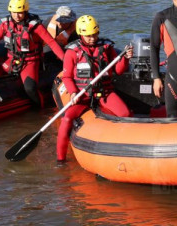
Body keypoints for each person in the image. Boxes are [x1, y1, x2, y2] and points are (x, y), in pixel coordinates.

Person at [56, 15, 133, 162]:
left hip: (104, 92)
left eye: (94, 34)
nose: (92, 38)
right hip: (82, 94)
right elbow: (66, 77)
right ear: (81, 34)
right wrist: (73, 93)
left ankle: (124, 151)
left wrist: (126, 58)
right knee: (66, 119)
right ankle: (60, 159)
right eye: (88, 35)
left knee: (125, 113)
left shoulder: (106, 47)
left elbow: (119, 70)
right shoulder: (72, 52)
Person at [0, 0, 65, 106]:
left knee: (30, 88)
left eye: (20, 12)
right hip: (12, 60)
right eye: (14, 12)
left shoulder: (35, 26)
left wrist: (65, 60)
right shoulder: (5, 24)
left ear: (26, 11)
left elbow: (52, 43)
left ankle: (39, 110)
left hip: (30, 62)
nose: (17, 16)